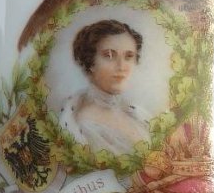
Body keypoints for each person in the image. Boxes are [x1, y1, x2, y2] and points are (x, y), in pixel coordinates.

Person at [60, 20, 150, 154]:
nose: (121, 67)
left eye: (128, 56)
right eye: (109, 55)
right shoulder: (85, 124)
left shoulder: (137, 114)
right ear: (90, 62)